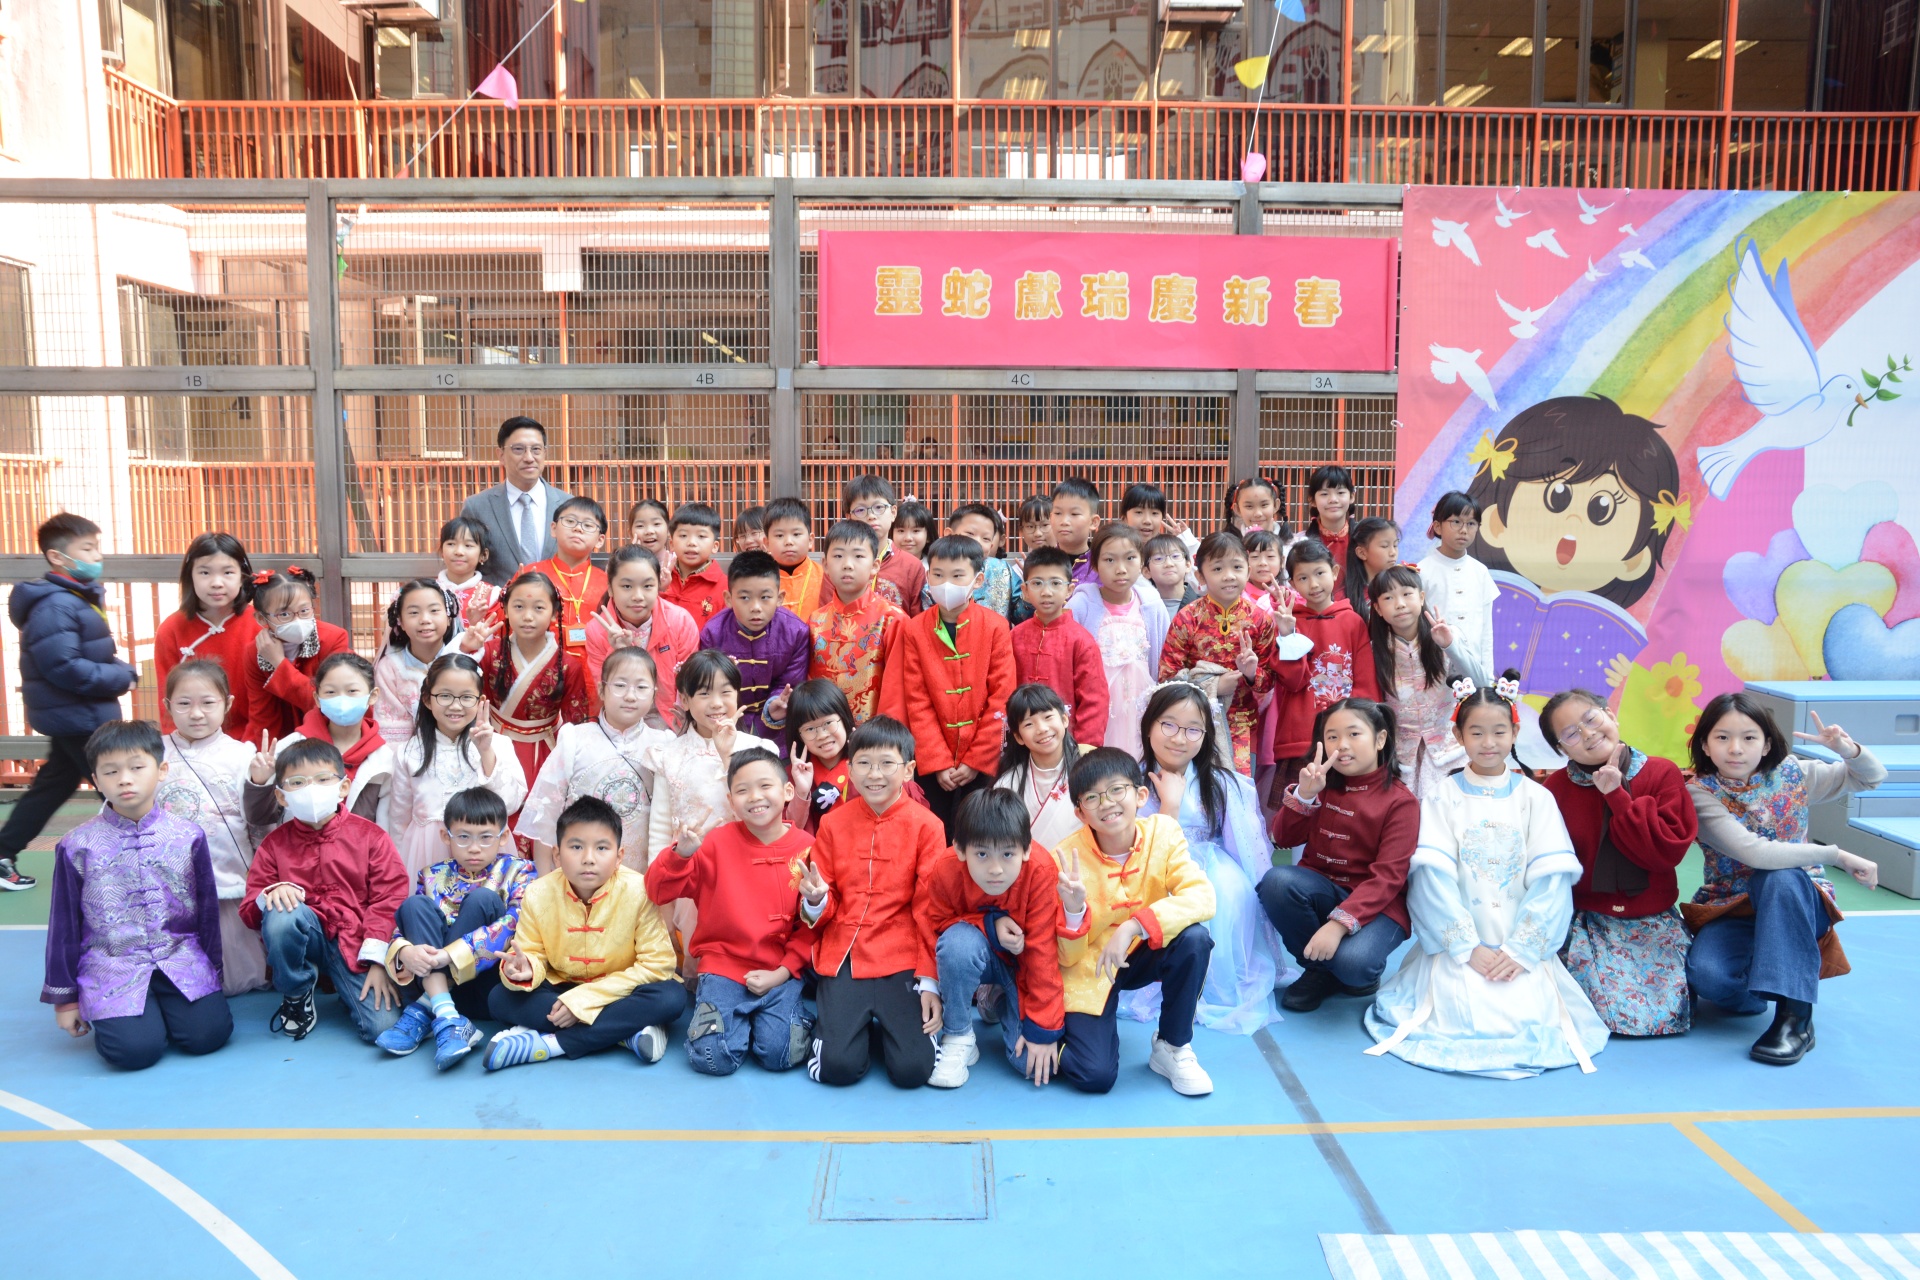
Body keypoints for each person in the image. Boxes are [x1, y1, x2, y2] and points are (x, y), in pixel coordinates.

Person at [1364, 674, 1608, 1079]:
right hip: (1460, 945)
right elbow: (1432, 879)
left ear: (1515, 732)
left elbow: (1551, 881)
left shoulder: (1537, 798)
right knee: (1458, 1013)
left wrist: (1522, 950)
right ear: (1458, 735)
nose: (1488, 742)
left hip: (1519, 941)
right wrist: (1464, 946)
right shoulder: (1442, 796)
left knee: (1524, 1015)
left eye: (1499, 731)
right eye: (1476, 732)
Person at [1684, 693, 1883, 1065]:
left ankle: (1796, 1018)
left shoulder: (1792, 774)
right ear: (1706, 746)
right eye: (1722, 737)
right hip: (1733, 906)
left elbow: (1871, 777)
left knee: (1779, 878)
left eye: (1749, 737)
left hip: (1798, 899)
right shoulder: (1699, 794)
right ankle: (1771, 973)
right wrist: (1836, 855)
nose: (1735, 748)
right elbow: (1755, 852)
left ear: (1766, 744)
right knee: (1710, 978)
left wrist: (1848, 750)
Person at [43, 720, 232, 1070]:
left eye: (136, 767)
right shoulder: (77, 845)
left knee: (208, 1036)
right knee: (135, 1052)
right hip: (112, 963)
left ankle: (170, 1007)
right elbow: (63, 924)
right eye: (111, 771)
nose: (125, 779)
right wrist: (65, 1000)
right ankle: (131, 1016)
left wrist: (212, 973)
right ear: (96, 780)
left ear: (161, 770)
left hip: (180, 956)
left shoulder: (188, 836)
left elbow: (207, 912)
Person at [1052, 748, 1216, 1096]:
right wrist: (1073, 910)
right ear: (1080, 812)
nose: (1107, 803)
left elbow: (1203, 897)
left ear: (1140, 795)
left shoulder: (1163, 832)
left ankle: (1172, 1045)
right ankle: (1039, 1032)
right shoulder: (1063, 859)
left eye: (1116, 789)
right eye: (1092, 797)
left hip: (1144, 949)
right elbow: (1066, 957)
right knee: (1094, 1076)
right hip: (1090, 967)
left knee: (1194, 939)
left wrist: (1134, 926)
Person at [647, 747, 816, 1076]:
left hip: (780, 969)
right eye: (742, 790)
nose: (755, 797)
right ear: (730, 800)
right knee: (712, 1059)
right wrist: (680, 855)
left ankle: (775, 1018)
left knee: (781, 1056)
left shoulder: (807, 847)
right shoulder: (715, 843)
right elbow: (657, 891)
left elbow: (812, 927)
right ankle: (736, 1021)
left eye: (765, 786)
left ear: (787, 791)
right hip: (723, 967)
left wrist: (783, 972)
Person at [796, 716, 945, 1088]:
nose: (874, 774)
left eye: (886, 763)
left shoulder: (928, 826)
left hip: (903, 956)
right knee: (836, 1068)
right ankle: (853, 1030)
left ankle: (887, 1030)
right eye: (863, 763)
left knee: (913, 1071)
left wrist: (930, 981)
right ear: (850, 768)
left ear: (908, 769)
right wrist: (815, 900)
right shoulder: (833, 824)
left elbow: (929, 910)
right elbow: (824, 902)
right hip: (845, 953)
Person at [485, 797, 688, 1070]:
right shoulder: (538, 892)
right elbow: (530, 951)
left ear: (619, 856)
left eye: (602, 848)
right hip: (562, 987)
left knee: (671, 997)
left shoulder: (639, 890)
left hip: (620, 991)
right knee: (499, 999)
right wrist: (525, 968)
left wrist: (584, 1001)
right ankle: (625, 1033)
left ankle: (552, 1044)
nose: (588, 859)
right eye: (576, 847)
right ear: (557, 855)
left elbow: (658, 965)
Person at [1540, 689, 1698, 1038]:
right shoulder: (1555, 788)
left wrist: (1616, 795)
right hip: (1589, 921)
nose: (1587, 733)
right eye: (1570, 734)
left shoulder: (1660, 772)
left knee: (1664, 1014)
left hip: (1653, 918)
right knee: (1595, 1014)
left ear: (1610, 714)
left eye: (1591, 719)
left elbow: (1664, 853)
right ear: (1561, 749)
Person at [0, 514, 139, 891]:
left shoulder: (73, 598)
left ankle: (3, 851)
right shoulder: (56, 606)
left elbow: (89, 655)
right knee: (120, 788)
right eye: (88, 549)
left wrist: (119, 668)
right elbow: (64, 666)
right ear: (57, 557)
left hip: (76, 716)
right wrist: (121, 677)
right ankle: (140, 860)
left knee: (54, 786)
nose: (97, 556)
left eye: (97, 547)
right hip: (80, 717)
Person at [1134, 683, 1281, 1033]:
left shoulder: (1221, 784)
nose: (1179, 738)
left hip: (1208, 863)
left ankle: (1212, 984)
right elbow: (1138, 849)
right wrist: (1169, 806)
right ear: (1149, 725)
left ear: (1205, 735)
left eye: (1192, 729)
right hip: (1148, 867)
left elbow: (1245, 849)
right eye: (1168, 724)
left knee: (1227, 890)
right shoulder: (1128, 781)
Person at [243, 738, 410, 1043]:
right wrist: (270, 895)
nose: (311, 789)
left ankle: (348, 984)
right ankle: (296, 991)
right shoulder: (274, 844)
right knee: (282, 913)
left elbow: (389, 898)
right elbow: (249, 912)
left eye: (322, 779)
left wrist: (377, 962)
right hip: (305, 932)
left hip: (356, 941)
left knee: (382, 1028)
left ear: (343, 787)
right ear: (281, 796)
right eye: (297, 783)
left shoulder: (371, 836)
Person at [1261, 698, 1417, 1012]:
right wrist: (1305, 794)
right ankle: (1318, 971)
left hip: (1379, 905)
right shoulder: (1320, 784)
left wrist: (1337, 926)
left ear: (1380, 739)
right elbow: (1284, 839)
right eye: (1332, 736)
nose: (1342, 745)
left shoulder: (1401, 802)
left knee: (1354, 966)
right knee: (1277, 881)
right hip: (1320, 890)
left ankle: (1347, 971)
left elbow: (1388, 878)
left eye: (1354, 734)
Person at [1465, 396, 1682, 608]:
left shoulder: (1604, 627)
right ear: (1496, 524)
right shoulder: (1480, 606)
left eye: (1601, 510)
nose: (1574, 519)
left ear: (1634, 561)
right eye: (1557, 498)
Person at [376, 787, 535, 1070]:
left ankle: (428, 1006)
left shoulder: (519, 870)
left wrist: (448, 955)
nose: (474, 847)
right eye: (463, 837)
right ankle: (447, 1015)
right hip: (432, 978)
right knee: (414, 905)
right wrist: (405, 952)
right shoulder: (431, 875)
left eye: (486, 837)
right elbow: (409, 926)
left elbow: (516, 922)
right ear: (445, 836)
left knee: (483, 899)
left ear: (503, 837)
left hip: (484, 985)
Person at [923, 788, 1068, 1088]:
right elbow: (936, 923)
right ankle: (959, 1035)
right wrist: (990, 924)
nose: (995, 868)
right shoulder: (946, 868)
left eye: (1007, 854)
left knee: (1030, 1064)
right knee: (956, 945)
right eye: (981, 854)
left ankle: (997, 999)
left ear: (1026, 849)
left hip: (1020, 967)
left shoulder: (1040, 870)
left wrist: (1043, 1028)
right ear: (959, 849)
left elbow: (1042, 952)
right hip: (976, 955)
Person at [881, 534, 1017, 830]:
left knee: (979, 830)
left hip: (983, 760)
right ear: (928, 576)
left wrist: (975, 760)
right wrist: (937, 761)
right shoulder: (915, 629)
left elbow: (1001, 697)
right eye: (938, 575)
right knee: (935, 830)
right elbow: (917, 700)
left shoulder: (996, 627)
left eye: (957, 576)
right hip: (932, 762)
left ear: (977, 580)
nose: (946, 584)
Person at [158, 660, 270, 993]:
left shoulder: (242, 754)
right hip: (167, 869)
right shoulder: (154, 752)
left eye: (208, 703)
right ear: (167, 705)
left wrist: (260, 782)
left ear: (228, 704)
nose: (196, 714)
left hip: (225, 867)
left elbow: (259, 820)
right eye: (184, 703)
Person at [518, 646, 672, 873]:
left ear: (653, 694)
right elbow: (546, 818)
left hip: (642, 877)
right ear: (601, 689)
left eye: (641, 687)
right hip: (580, 876)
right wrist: (543, 881)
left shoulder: (664, 744)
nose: (630, 696)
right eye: (620, 685)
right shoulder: (574, 740)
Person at [386, 655, 529, 879]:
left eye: (466, 697)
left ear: (480, 701)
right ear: (427, 699)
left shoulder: (498, 745)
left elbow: (510, 803)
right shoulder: (409, 752)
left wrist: (486, 751)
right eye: (445, 696)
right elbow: (398, 820)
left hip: (484, 850)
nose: (455, 705)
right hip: (426, 854)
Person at [1158, 532, 1288, 776]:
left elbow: (1269, 680)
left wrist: (1251, 674)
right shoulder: (1187, 618)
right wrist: (1214, 686)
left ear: (1248, 571)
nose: (1229, 576)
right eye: (1217, 568)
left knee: (1238, 788)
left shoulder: (1260, 620)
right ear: (1200, 576)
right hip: (1193, 723)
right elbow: (1167, 677)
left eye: (1237, 567)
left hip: (1242, 723)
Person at [642, 651, 780, 864]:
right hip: (690, 869)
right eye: (705, 693)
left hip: (748, 865)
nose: (716, 703)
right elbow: (660, 829)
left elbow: (768, 819)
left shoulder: (759, 750)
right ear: (685, 700)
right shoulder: (668, 756)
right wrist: (660, 876)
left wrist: (728, 758)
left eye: (725, 692)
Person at [459, 571, 590, 790]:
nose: (528, 616)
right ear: (505, 610)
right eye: (519, 606)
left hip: (547, 753)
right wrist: (466, 649)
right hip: (494, 747)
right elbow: (463, 693)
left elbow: (577, 725)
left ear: (554, 613)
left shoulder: (568, 666)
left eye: (538, 608)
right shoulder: (488, 653)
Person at [1271, 538, 1378, 805]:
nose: (1314, 584)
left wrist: (1363, 731)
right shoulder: (1289, 623)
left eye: (1320, 573)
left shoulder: (1353, 621)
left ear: (1335, 572)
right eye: (1303, 578)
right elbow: (1292, 682)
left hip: (1345, 738)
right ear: (1292, 584)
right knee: (1299, 809)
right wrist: (1287, 635)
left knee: (1344, 809)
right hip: (1300, 735)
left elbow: (1366, 684)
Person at [1366, 565, 1484, 803]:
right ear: (1377, 608)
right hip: (1400, 755)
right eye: (1388, 598)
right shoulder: (1373, 648)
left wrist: (1449, 646)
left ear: (1421, 598)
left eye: (1407, 594)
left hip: (1450, 748)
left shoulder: (1448, 634)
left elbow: (1480, 683)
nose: (1400, 604)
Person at [246, 652, 396, 832]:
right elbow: (260, 817)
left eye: (352, 691)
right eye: (331, 692)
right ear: (317, 699)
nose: (342, 699)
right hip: (296, 847)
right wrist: (260, 782)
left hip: (361, 849)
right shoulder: (289, 748)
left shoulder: (383, 759)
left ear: (373, 695)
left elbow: (385, 827)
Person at [1069, 523, 1168, 758]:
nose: (1120, 569)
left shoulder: (1152, 605)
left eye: (1130, 558)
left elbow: (1164, 659)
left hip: (1141, 705)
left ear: (1142, 562)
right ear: (1095, 565)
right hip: (1097, 709)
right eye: (1109, 560)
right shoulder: (1080, 605)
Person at [699, 550, 811, 743]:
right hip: (726, 724)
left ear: (780, 598)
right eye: (744, 598)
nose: (755, 607)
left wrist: (774, 705)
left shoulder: (796, 632)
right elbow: (710, 686)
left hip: (779, 728)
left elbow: (790, 683)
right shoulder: (713, 632)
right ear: (728, 599)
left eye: (765, 597)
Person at [155, 532, 258, 736]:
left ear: (242, 576)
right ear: (190, 576)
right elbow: (167, 700)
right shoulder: (171, 629)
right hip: (191, 740)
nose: (216, 582)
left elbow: (267, 701)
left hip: (251, 740)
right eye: (205, 572)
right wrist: (180, 746)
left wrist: (251, 745)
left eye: (228, 572)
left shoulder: (260, 624)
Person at [806, 519, 906, 723]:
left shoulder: (892, 619)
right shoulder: (815, 621)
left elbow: (897, 691)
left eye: (858, 556)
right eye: (838, 556)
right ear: (825, 565)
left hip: (875, 734)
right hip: (825, 734)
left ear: (875, 565)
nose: (847, 565)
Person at [1009, 546, 1108, 749]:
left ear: (1069, 590)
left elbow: (1094, 700)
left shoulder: (1081, 640)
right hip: (1021, 741)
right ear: (1025, 590)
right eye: (1037, 583)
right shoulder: (1014, 636)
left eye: (1055, 583)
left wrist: (1085, 746)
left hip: (1067, 744)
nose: (1046, 592)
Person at [584, 545, 698, 720]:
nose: (638, 596)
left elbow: (689, 683)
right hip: (621, 719)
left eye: (647, 586)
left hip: (671, 720)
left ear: (658, 586)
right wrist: (617, 652)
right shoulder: (597, 630)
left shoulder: (680, 621)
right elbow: (604, 691)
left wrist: (679, 727)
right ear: (610, 588)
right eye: (627, 586)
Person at [458, 416, 573, 586]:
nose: (529, 457)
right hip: (498, 602)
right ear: (501, 455)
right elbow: (465, 566)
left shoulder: (568, 505)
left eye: (536, 449)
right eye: (518, 449)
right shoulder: (477, 507)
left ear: (545, 453)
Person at [244, 566, 352, 742]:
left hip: (331, 736)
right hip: (285, 740)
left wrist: (279, 664)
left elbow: (328, 703)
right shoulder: (256, 652)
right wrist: (268, 753)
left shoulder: (333, 639)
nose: (298, 620)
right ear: (262, 618)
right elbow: (262, 715)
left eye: (304, 611)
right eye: (284, 614)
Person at [993, 684, 1085, 852]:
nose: (1042, 729)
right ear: (1019, 737)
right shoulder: (1007, 785)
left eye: (1048, 717)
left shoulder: (1088, 771)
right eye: (1029, 724)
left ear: (1064, 719)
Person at [1417, 492, 1497, 684]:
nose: (1464, 530)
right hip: (1435, 671)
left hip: (1473, 670)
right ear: (1438, 526)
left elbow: (1486, 630)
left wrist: (1487, 677)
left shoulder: (1480, 571)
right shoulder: (1422, 571)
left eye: (1471, 523)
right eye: (1456, 522)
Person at [372, 579, 461, 745]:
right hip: (406, 755)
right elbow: (391, 731)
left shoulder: (461, 660)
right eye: (413, 613)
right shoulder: (390, 668)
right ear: (400, 621)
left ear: (449, 617)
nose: (425, 619)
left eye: (434, 610)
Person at [524, 495, 611, 662]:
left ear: (600, 540)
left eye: (588, 525)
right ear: (553, 529)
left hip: (594, 668)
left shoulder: (607, 583)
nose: (578, 529)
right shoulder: (531, 574)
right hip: (540, 665)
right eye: (570, 521)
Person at [844, 475, 925, 615]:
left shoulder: (912, 566)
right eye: (860, 510)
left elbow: (919, 620)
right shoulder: (839, 563)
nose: (871, 516)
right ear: (848, 517)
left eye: (879, 507)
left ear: (893, 512)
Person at [945, 503, 1026, 621]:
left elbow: (1021, 616)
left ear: (991, 546)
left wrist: (1029, 594)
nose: (978, 542)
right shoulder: (938, 568)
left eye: (986, 538)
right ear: (949, 535)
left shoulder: (1002, 570)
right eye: (970, 533)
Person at [661, 503, 729, 624]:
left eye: (701, 536)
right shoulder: (659, 579)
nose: (691, 542)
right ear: (671, 544)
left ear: (715, 546)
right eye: (683, 535)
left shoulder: (726, 587)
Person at [764, 496, 825, 620]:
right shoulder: (759, 578)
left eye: (796, 534)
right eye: (779, 535)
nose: (788, 541)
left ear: (810, 540)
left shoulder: (825, 577)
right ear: (767, 543)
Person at [436, 515, 499, 629]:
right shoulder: (427, 592)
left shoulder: (493, 596)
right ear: (442, 551)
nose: (459, 552)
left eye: (468, 545)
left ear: (483, 555)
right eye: (451, 544)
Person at [1303, 465, 1356, 590]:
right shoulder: (1301, 543)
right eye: (1324, 494)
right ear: (1312, 500)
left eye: (1340, 493)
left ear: (1352, 497)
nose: (1333, 499)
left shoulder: (1365, 540)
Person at [1121, 482, 1199, 557]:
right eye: (1139, 512)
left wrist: (1187, 543)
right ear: (1124, 518)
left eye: (1154, 513)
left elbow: (1197, 564)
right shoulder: (1115, 550)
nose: (1147, 521)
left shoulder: (1169, 553)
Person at [1342, 516, 1400, 616]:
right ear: (1362, 553)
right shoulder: (1343, 599)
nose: (1393, 552)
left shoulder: (1401, 588)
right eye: (1385, 546)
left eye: (1395, 545)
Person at [1049, 475, 1102, 584]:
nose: (1064, 521)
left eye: (1074, 514)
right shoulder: (1042, 563)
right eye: (1058, 513)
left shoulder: (1102, 564)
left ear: (1093, 522)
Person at [1144, 535, 1200, 615]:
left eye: (1175, 556)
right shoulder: (1139, 607)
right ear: (1146, 571)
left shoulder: (1206, 607)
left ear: (1187, 565)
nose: (1169, 564)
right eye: (1158, 558)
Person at [1223, 474, 1289, 539]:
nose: (1258, 514)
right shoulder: (1231, 544)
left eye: (1264, 505)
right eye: (1249, 506)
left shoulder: (1290, 543)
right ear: (1237, 509)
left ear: (1275, 505)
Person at [626, 498, 674, 575]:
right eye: (640, 526)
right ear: (630, 533)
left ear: (668, 529)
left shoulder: (678, 563)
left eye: (656, 524)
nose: (649, 531)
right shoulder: (622, 566)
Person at [1014, 494, 1052, 567]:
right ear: (1021, 530)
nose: (1038, 533)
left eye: (1045, 525)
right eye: (1030, 526)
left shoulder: (1071, 563)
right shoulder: (1019, 569)